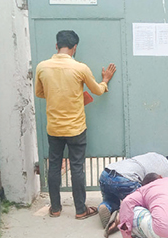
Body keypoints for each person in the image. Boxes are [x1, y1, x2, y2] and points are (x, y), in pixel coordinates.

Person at [35, 30, 116, 220]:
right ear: (75, 48)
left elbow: (40, 93)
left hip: (54, 128)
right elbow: (97, 90)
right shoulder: (80, 68)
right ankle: (80, 210)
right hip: (76, 128)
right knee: (77, 167)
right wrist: (105, 80)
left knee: (54, 165)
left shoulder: (42, 67)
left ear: (56, 46)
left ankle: (55, 208)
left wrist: (58, 94)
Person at [98, 150, 168, 229]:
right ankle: (118, 219)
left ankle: (106, 206)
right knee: (141, 204)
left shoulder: (155, 155)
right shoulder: (166, 174)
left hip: (106, 173)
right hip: (125, 180)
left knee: (111, 200)